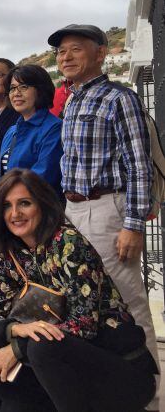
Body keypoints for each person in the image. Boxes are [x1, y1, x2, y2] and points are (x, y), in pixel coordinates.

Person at [0, 169, 157, 412]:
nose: (15, 214)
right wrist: (15, 329)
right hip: (59, 367)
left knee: (41, 347)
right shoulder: (10, 252)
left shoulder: (68, 243)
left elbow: (84, 324)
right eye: (6, 206)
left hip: (118, 368)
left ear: (42, 204)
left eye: (24, 203)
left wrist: (18, 347)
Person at [48, 23, 160, 408]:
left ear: (101, 53)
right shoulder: (73, 99)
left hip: (108, 208)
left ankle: (150, 396)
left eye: (75, 49)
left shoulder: (119, 98)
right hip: (74, 210)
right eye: (61, 52)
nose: (65, 57)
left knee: (127, 302)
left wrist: (132, 225)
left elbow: (138, 165)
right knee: (85, 301)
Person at [0, 65, 63, 195]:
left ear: (40, 90)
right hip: (11, 207)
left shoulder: (54, 128)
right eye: (12, 88)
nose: (16, 93)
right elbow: (0, 173)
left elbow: (44, 176)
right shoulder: (12, 131)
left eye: (23, 87)